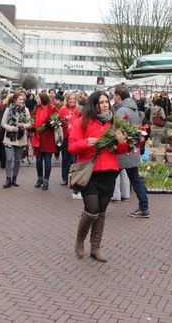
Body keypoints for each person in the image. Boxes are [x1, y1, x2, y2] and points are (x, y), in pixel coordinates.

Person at [69, 91, 128, 262]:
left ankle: (95, 247)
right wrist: (85, 142)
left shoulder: (114, 123)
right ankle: (80, 240)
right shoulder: (82, 122)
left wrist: (122, 142)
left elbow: (119, 151)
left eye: (106, 102)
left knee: (101, 211)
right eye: (100, 102)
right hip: (90, 173)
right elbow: (72, 147)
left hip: (109, 171)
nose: (104, 105)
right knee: (92, 210)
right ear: (93, 104)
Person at [112, 85, 150, 218]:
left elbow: (117, 130)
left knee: (109, 177)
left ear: (118, 96)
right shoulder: (135, 110)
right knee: (135, 178)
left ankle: (97, 205)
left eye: (114, 95)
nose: (113, 98)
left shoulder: (121, 111)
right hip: (132, 150)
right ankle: (144, 207)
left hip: (123, 151)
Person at [1, 92, 32, 188]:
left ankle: (15, 178)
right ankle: (8, 178)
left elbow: (30, 123)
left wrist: (23, 125)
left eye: (23, 99)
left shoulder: (25, 110)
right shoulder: (8, 110)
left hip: (20, 137)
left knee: (18, 159)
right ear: (15, 100)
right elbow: (3, 123)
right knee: (9, 158)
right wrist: (11, 128)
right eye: (20, 99)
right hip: (10, 137)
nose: (22, 101)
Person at [31, 92, 58, 190]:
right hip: (38, 138)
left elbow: (58, 120)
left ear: (42, 99)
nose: (36, 100)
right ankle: (40, 178)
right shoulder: (36, 109)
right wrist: (33, 128)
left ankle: (46, 180)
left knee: (47, 160)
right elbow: (33, 121)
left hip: (48, 138)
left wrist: (50, 124)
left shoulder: (52, 109)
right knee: (38, 161)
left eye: (37, 98)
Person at [59, 93, 81, 186]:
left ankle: (73, 178)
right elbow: (59, 121)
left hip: (75, 138)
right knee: (65, 158)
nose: (72, 101)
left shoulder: (78, 109)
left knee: (73, 160)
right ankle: (64, 178)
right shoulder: (62, 109)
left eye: (73, 99)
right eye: (70, 99)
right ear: (67, 100)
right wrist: (64, 120)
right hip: (65, 136)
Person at [0, 94, 12, 170]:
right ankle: (4, 161)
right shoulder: (8, 108)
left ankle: (2, 160)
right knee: (5, 145)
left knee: (1, 145)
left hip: (0, 127)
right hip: (5, 128)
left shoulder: (2, 107)